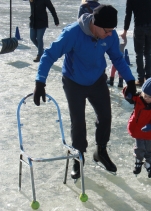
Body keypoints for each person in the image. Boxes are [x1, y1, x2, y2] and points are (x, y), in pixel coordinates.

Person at [33, 5, 137, 179]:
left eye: (112, 30)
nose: (110, 34)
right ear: (95, 24)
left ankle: (101, 151)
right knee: (78, 122)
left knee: (105, 116)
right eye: (107, 30)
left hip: (97, 79)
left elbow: (117, 58)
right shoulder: (73, 33)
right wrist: (40, 81)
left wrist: (131, 81)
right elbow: (50, 54)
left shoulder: (109, 35)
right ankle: (78, 157)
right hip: (74, 81)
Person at [123, 76, 151, 179]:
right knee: (139, 147)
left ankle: (149, 164)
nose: (146, 98)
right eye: (145, 95)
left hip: (149, 132)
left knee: (148, 149)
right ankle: (138, 162)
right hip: (137, 129)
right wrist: (127, 93)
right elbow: (129, 94)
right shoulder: (139, 98)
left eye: (150, 97)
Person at [121, 0, 151, 86]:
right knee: (147, 53)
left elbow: (128, 15)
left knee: (139, 53)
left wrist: (125, 31)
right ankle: (149, 78)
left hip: (139, 27)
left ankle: (141, 79)